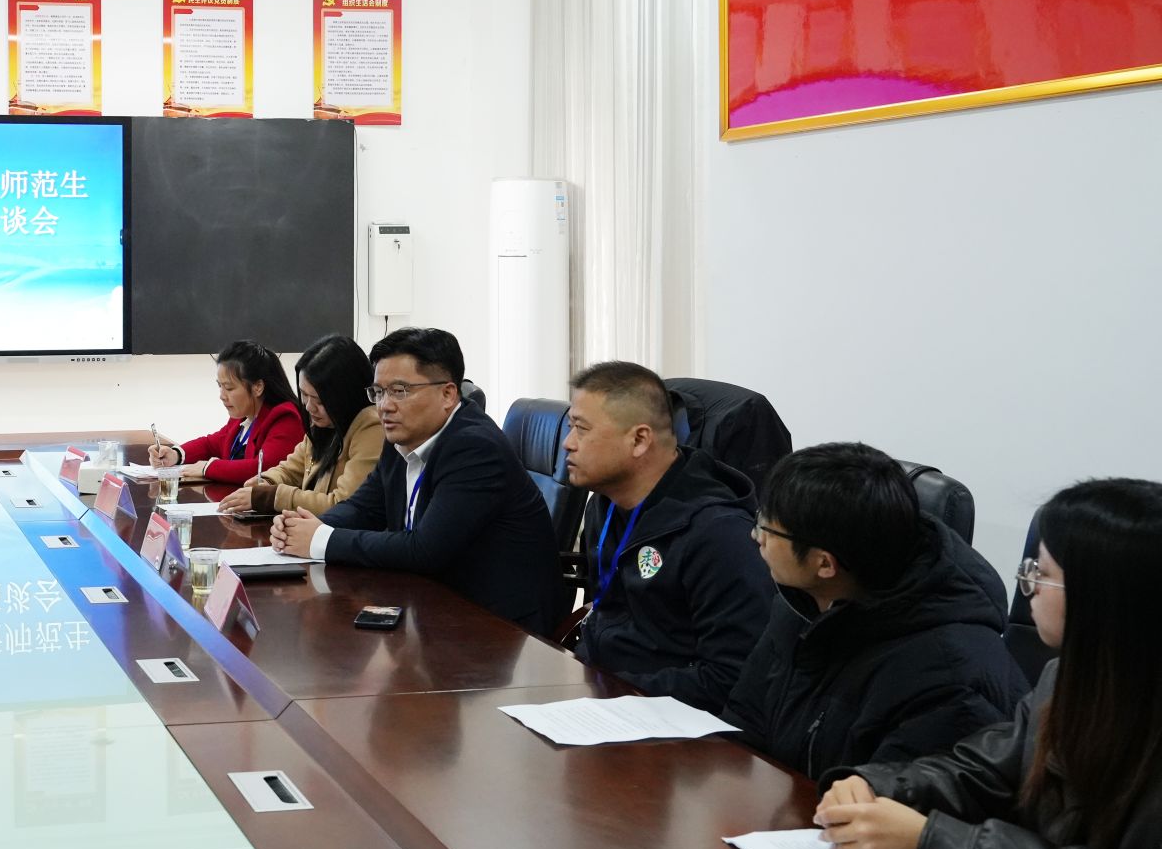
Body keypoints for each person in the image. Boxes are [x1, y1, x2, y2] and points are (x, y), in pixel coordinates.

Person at [817, 478, 1162, 849]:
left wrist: (930, 842)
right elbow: (980, 772)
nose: (1028, 586)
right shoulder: (1065, 677)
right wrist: (875, 786)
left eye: (1041, 571)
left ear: (1105, 596)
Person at [723, 442, 1028, 778]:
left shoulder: (946, 675)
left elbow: (889, 798)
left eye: (767, 528)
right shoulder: (802, 600)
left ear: (824, 564)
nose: (756, 536)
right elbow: (744, 718)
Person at [270, 328, 561, 634]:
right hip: (432, 607)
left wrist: (321, 539)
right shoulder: (402, 437)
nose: (384, 405)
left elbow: (425, 549)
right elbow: (364, 508)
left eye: (400, 391)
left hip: (499, 628)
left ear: (448, 394)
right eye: (378, 392)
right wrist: (303, 526)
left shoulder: (474, 448)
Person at [560, 361, 774, 711]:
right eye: (571, 427)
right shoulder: (604, 504)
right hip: (608, 699)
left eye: (581, 429)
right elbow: (605, 616)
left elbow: (734, 678)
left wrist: (613, 695)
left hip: (676, 723)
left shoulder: (719, 534)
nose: (568, 444)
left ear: (639, 440)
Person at [219, 334, 383, 517]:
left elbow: (344, 504)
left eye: (319, 400)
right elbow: (290, 469)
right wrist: (266, 481)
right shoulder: (322, 425)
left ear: (346, 395)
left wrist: (272, 496)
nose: (309, 407)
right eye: (304, 395)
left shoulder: (370, 426)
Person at [147, 340, 307, 487]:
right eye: (220, 386)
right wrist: (175, 454)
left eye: (229, 388)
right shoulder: (244, 416)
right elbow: (212, 444)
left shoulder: (286, 418)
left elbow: (263, 469)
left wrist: (208, 468)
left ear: (258, 387)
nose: (222, 396)